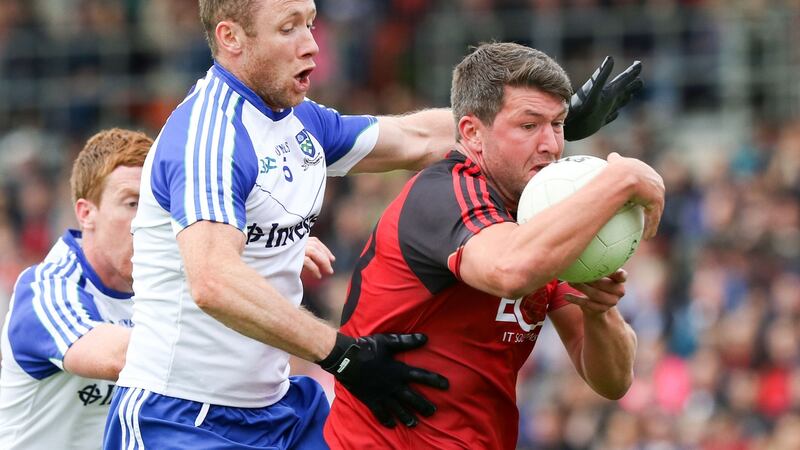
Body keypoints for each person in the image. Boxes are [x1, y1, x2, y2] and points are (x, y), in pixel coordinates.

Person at [103, 1, 644, 448]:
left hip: (277, 407)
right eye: (289, 28)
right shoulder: (209, 134)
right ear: (231, 39)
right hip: (182, 416)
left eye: (311, 22)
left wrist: (555, 120)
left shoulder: (299, 122)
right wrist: (342, 354)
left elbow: (427, 136)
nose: (312, 43)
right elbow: (213, 281)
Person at [323, 42, 665, 449]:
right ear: (471, 132)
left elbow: (613, 381)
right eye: (528, 126)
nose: (552, 146)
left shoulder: (543, 213)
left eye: (557, 125)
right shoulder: (444, 194)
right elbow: (510, 271)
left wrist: (599, 312)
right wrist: (619, 180)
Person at [0, 128, 151, 449]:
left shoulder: (161, 287)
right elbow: (118, 358)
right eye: (132, 203)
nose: (146, 221)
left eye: (154, 205)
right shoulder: (44, 288)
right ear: (86, 213)